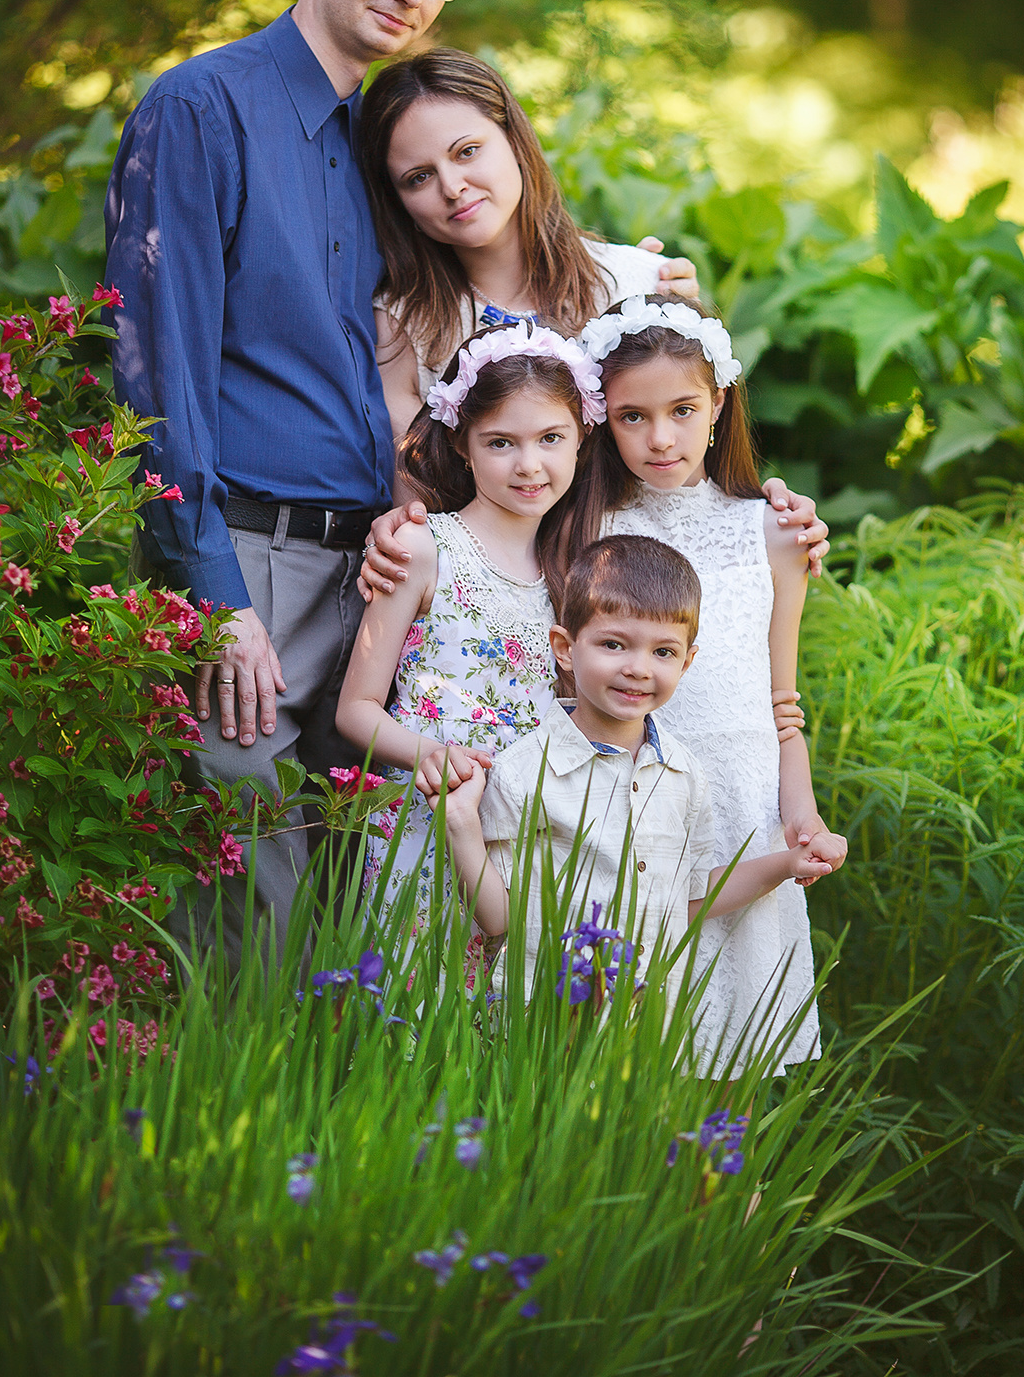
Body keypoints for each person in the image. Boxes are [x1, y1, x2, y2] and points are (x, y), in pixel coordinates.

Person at [103, 0, 474, 963]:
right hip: (248, 563)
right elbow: (156, 372)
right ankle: (216, 1086)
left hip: (373, 571)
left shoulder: (383, 139)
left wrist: (633, 279)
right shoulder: (202, 108)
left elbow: (484, 245)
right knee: (246, 904)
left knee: (357, 906)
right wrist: (215, 597)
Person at [564, 295, 849, 1074]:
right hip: (631, 805)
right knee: (628, 1058)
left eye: (682, 410)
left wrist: (802, 816)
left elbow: (781, 704)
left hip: (743, 809)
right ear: (602, 418)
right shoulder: (584, 528)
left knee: (734, 1066)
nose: (660, 438)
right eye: (632, 416)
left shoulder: (774, 531)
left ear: (719, 403)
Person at [437, 536, 835, 1030]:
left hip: (642, 1030)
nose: (637, 669)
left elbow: (690, 900)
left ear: (686, 662)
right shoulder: (525, 772)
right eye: (613, 644)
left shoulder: (683, 775)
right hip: (542, 1023)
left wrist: (786, 864)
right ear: (565, 648)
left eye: (663, 651)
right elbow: (499, 918)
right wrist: (460, 825)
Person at [334, 322, 605, 948]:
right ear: (462, 443)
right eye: (501, 442)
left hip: (524, 834)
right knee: (422, 994)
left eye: (551, 438)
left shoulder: (576, 572)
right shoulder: (424, 547)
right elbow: (356, 709)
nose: (529, 464)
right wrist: (428, 754)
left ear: (581, 437)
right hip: (426, 822)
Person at [357, 49, 701, 449]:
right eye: (419, 177)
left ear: (515, 142)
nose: (451, 187)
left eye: (467, 151)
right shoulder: (403, 327)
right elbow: (414, 480)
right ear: (398, 201)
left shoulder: (635, 284)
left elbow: (689, 458)